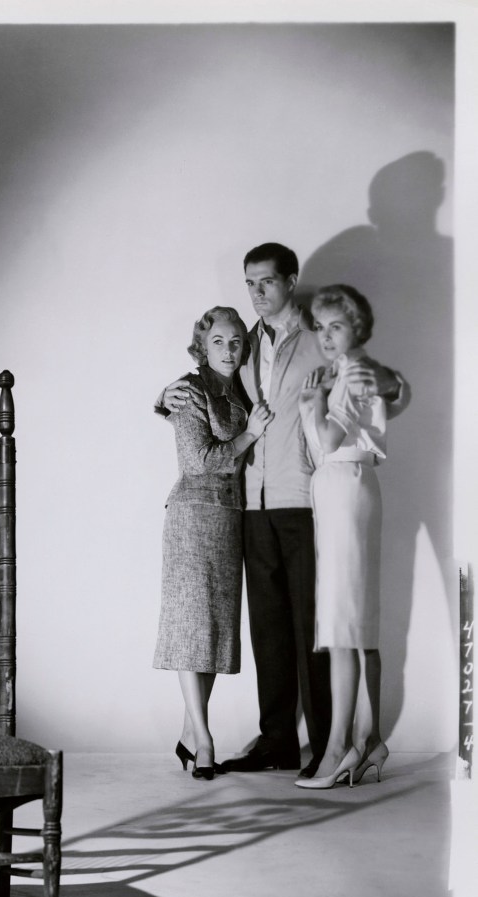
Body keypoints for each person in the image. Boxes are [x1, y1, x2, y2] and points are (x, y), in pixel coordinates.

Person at [156, 243, 408, 777]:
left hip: (305, 497)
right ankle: (277, 742)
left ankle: (326, 743)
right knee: (267, 627)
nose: (257, 293)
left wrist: (391, 386)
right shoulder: (244, 344)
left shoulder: (320, 337)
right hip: (251, 500)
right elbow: (211, 386)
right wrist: (165, 396)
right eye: (249, 283)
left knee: (313, 623)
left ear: (291, 281)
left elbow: (380, 382)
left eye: (267, 281)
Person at [153, 306, 273, 780]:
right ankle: (203, 739)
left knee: (216, 632)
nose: (228, 350)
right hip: (192, 517)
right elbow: (200, 461)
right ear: (202, 346)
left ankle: (188, 731)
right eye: (219, 341)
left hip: (231, 521)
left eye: (237, 341)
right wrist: (248, 435)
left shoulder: (240, 390)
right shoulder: (188, 389)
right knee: (192, 627)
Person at [295, 285, 390, 789]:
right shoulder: (348, 372)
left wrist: (311, 401)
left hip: (346, 485)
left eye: (336, 325)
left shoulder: (352, 372)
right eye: (320, 326)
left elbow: (330, 440)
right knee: (355, 623)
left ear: (357, 327)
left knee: (342, 626)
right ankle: (369, 741)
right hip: (344, 486)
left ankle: (338, 751)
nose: (326, 335)